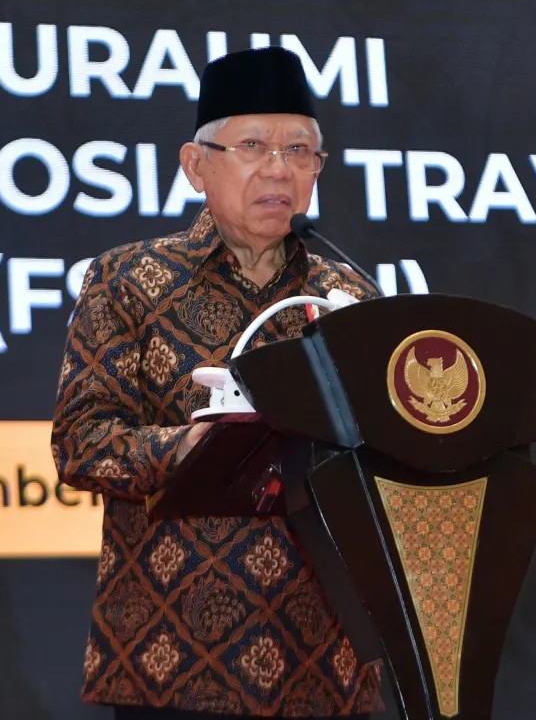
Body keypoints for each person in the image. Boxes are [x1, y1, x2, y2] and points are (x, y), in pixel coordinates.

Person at [51, 46, 385, 720]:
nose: (279, 168)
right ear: (195, 164)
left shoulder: (349, 297)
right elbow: (82, 443)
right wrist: (191, 447)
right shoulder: (127, 281)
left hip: (325, 667)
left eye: (299, 151)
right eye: (253, 145)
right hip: (172, 662)